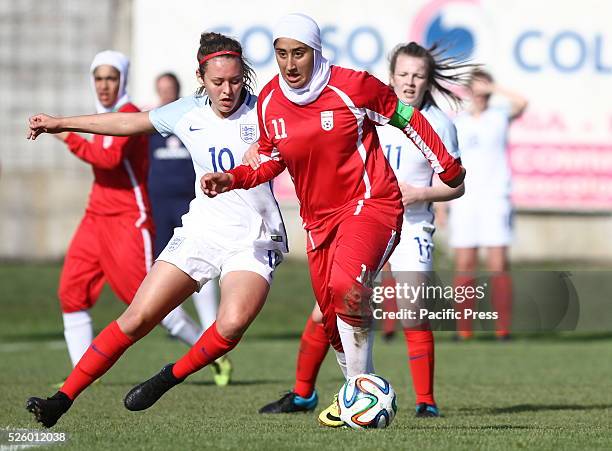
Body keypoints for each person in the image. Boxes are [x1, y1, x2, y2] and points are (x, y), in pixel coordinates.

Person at [201, 14, 465, 427]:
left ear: (316, 52)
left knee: (348, 288)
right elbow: (270, 160)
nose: (290, 63)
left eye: (299, 53)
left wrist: (447, 167)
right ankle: (360, 391)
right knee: (330, 319)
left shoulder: (352, 86)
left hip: (372, 204)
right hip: (319, 223)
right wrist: (233, 177)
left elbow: (406, 117)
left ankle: (390, 395)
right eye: (282, 53)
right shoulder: (270, 100)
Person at [25, 32, 287, 428]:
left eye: (235, 80)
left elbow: (305, 140)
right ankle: (60, 400)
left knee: (231, 324)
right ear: (202, 79)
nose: (228, 89)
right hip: (201, 231)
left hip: (253, 237)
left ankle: (168, 376)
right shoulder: (187, 111)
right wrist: (61, 123)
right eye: (218, 82)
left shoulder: (266, 110)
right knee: (137, 318)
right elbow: (127, 122)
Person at [48, 51, 202, 374]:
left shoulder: (129, 113)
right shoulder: (100, 115)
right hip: (96, 215)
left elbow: (108, 160)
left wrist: (65, 135)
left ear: (123, 80)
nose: (105, 85)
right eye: (99, 78)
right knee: (71, 292)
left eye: (111, 78)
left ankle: (209, 351)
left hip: (127, 218)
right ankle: (82, 372)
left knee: (147, 303)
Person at [148, 72, 231, 385]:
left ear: (179, 90)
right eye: (162, 89)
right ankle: (203, 344)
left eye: (171, 89)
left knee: (200, 265)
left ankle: (212, 332)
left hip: (190, 204)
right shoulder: (154, 129)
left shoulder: (190, 121)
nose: (167, 94)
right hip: (159, 210)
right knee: (169, 271)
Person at [445, 69, 527, 340]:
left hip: (495, 199)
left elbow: (523, 103)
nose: (480, 93)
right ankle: (464, 331)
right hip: (465, 200)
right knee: (465, 263)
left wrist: (495, 86)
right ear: (468, 90)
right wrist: (441, 205)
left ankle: (503, 330)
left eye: (484, 88)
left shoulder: (499, 116)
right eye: (476, 87)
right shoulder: (458, 122)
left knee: (498, 264)